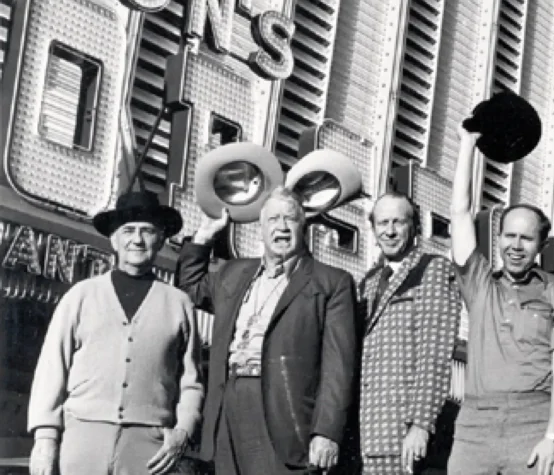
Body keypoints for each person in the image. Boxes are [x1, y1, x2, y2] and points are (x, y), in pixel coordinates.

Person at [177, 185, 358, 474]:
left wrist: (327, 431)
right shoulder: (233, 272)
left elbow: (339, 365)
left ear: (304, 226)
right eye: (273, 219)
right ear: (261, 228)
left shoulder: (331, 283)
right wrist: (204, 236)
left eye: (290, 219)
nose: (282, 227)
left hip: (283, 413)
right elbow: (190, 287)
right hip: (227, 405)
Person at [28, 190, 203, 475]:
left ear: (160, 238)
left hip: (150, 447)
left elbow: (191, 381)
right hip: (82, 435)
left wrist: (182, 431)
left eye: (147, 231)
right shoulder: (82, 295)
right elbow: (52, 368)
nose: (137, 239)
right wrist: (45, 438)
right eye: (128, 231)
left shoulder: (178, 303)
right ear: (114, 239)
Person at [447, 126, 554, 475]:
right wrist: (467, 144)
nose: (516, 247)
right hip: (475, 423)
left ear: (541, 244)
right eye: (509, 236)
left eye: (526, 238)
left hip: (533, 422)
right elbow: (460, 214)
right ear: (498, 236)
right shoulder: (479, 283)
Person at [357, 192, 461, 475]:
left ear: (414, 227)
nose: (389, 231)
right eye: (382, 223)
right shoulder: (368, 281)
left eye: (398, 222)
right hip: (367, 431)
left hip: (404, 432)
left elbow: (434, 355)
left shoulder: (433, 268)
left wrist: (421, 425)